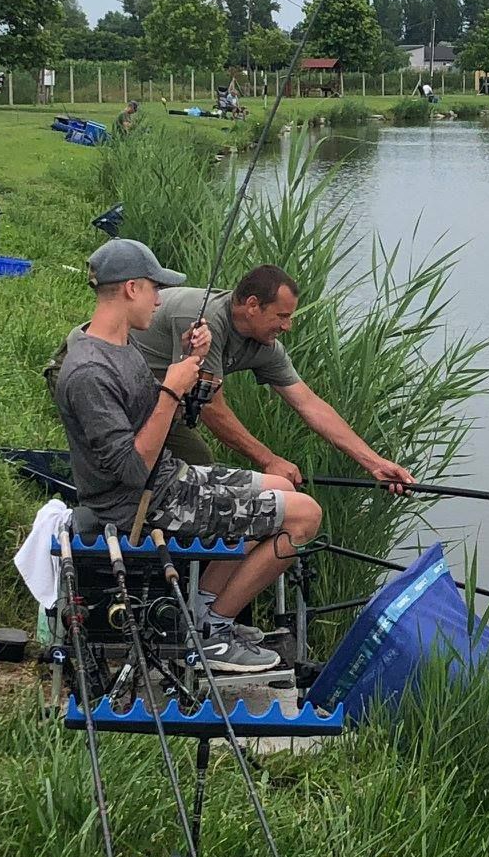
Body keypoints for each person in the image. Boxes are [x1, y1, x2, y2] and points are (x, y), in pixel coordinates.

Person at [53, 239, 321, 672]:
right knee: (305, 516)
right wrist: (171, 389)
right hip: (140, 505)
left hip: (168, 482)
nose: (161, 300)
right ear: (131, 289)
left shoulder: (121, 345)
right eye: (155, 289)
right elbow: (130, 469)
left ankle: (200, 610)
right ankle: (214, 632)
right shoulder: (89, 372)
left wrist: (194, 360)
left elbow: (150, 422)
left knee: (281, 486)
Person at [131, 265, 414, 494]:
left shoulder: (265, 346)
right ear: (253, 305)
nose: (287, 326)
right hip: (117, 392)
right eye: (282, 316)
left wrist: (374, 463)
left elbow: (309, 405)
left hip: (159, 405)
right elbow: (211, 409)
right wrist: (269, 460)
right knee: (197, 468)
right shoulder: (204, 320)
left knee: (200, 468)